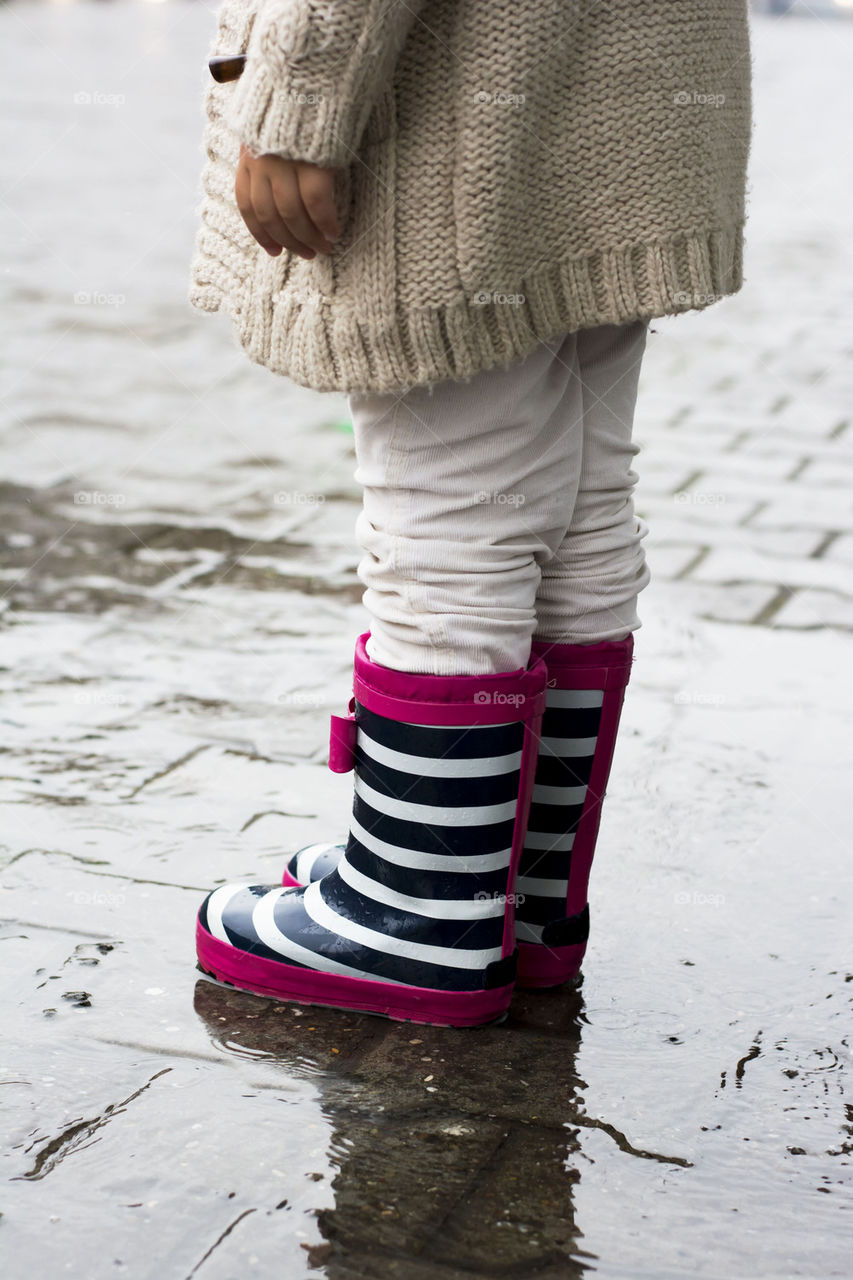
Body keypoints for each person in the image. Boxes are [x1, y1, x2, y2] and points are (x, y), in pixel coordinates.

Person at [189, 0, 751, 1026]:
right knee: (576, 497)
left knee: (449, 513)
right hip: (613, 89)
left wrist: (303, 100)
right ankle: (511, 897)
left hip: (470, 97)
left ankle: (418, 915)